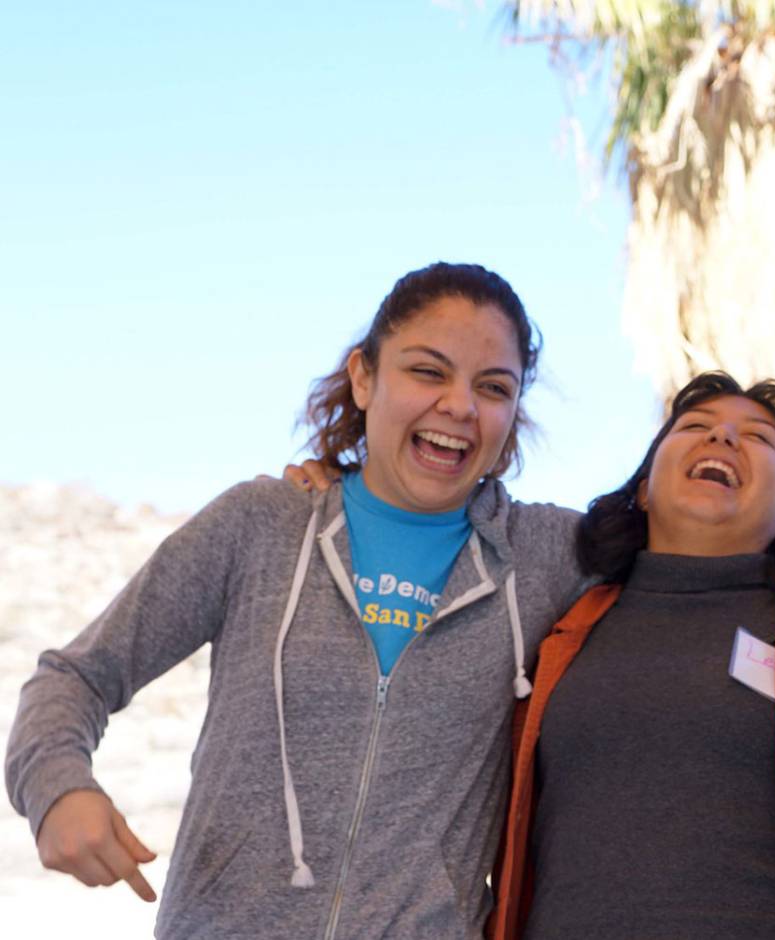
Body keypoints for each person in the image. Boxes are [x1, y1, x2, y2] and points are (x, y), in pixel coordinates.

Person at [5, 262, 594, 937]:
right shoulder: (262, 526)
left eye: (493, 387)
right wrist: (57, 789)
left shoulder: (548, 555)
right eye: (428, 371)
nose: (460, 405)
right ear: (364, 377)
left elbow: (696, 547)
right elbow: (75, 675)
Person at [488, 372, 775, 940]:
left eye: (758, 438)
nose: (721, 437)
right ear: (645, 489)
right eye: (695, 426)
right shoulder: (559, 624)